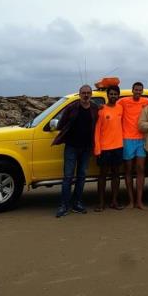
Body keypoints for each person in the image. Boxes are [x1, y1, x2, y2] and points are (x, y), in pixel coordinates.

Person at [53, 84, 99, 218]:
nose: (86, 95)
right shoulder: (71, 108)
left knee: (81, 177)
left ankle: (77, 203)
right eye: (83, 93)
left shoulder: (95, 108)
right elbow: (61, 124)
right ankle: (64, 205)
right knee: (67, 177)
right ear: (80, 94)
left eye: (88, 93)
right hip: (71, 147)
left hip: (86, 148)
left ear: (91, 94)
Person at [120, 81, 148, 210]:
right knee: (128, 171)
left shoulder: (146, 102)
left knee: (140, 170)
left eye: (140, 90)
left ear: (142, 91)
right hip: (127, 140)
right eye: (136, 90)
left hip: (141, 140)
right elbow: (109, 107)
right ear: (132, 90)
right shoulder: (123, 102)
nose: (138, 92)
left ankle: (139, 201)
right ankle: (130, 201)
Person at [94, 84, 124, 212]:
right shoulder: (101, 110)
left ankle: (114, 201)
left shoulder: (121, 108)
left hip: (118, 146)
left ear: (118, 96)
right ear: (107, 95)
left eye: (115, 94)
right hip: (105, 148)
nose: (113, 96)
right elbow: (97, 131)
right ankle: (101, 203)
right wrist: (97, 148)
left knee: (116, 175)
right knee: (102, 176)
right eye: (111, 94)